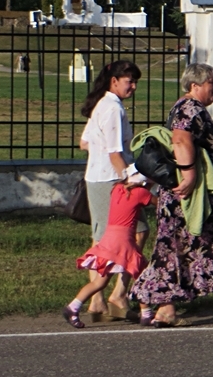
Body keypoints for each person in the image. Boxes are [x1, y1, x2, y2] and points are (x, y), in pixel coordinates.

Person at [130, 64, 213, 327]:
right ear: (195, 86)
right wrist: (189, 173)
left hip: (180, 200)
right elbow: (180, 139)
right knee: (212, 245)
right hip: (190, 199)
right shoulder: (189, 109)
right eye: (211, 82)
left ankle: (165, 311)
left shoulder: (190, 108)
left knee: (173, 251)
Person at [79, 61, 146, 322]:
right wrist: (131, 178)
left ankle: (101, 299)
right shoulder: (113, 109)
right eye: (129, 80)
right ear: (114, 81)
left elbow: (84, 142)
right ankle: (113, 295)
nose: (133, 85)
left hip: (98, 178)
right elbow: (115, 153)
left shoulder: (102, 106)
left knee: (105, 238)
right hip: (110, 181)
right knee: (133, 234)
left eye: (134, 80)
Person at [63, 179, 156, 329]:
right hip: (123, 241)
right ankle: (146, 314)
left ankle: (73, 307)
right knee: (141, 277)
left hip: (109, 238)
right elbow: (158, 203)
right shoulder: (141, 193)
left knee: (99, 282)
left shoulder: (117, 189)